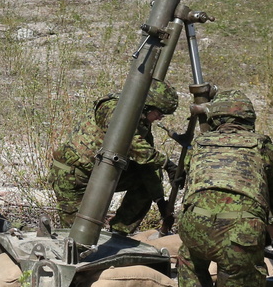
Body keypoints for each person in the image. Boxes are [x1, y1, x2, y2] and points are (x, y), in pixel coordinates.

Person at [174, 91, 273, 287]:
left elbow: (187, 180)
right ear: (249, 118)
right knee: (242, 269)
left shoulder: (201, 143)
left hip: (195, 221)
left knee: (191, 254)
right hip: (242, 225)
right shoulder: (261, 144)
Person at [47, 85, 179, 236]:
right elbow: (125, 137)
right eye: (160, 113)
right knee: (76, 236)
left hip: (102, 175)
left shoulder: (141, 122)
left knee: (144, 183)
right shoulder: (113, 107)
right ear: (148, 106)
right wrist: (166, 163)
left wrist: (159, 199)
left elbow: (147, 165)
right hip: (72, 176)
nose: (160, 118)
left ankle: (119, 234)